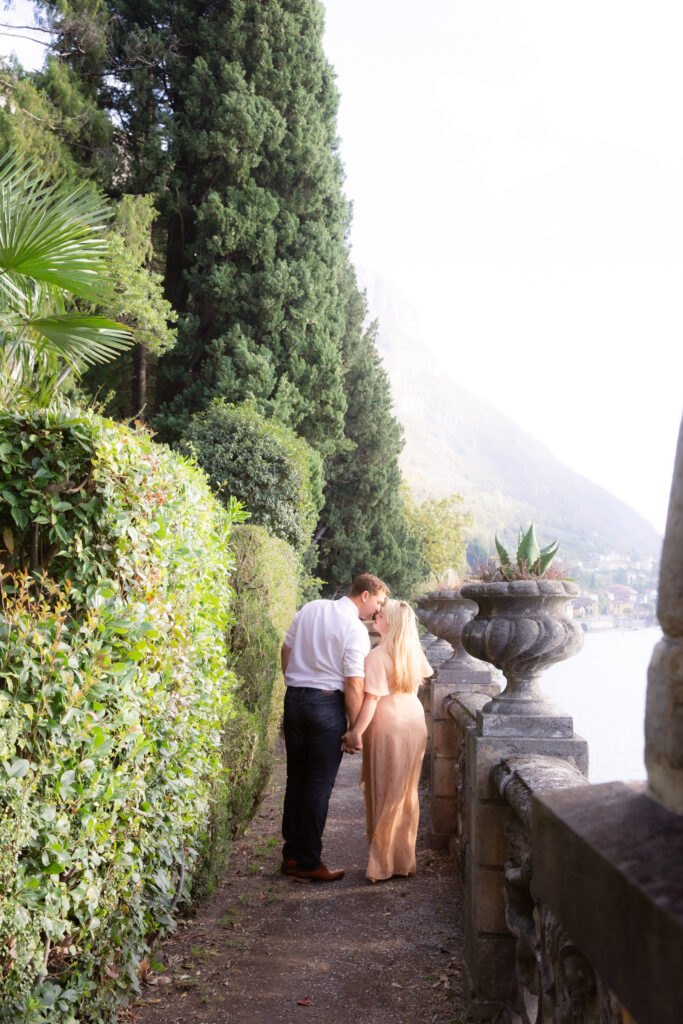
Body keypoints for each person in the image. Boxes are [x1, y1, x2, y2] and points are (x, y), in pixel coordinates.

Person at [280, 573, 388, 881]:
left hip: (294, 699)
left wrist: (296, 681)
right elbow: (354, 683)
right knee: (318, 783)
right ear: (365, 594)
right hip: (325, 706)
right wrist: (356, 730)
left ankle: (291, 856)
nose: (377, 611)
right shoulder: (354, 627)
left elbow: (286, 650)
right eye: (378, 603)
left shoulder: (311, 607)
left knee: (296, 778)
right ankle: (308, 862)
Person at [342, 599, 433, 883]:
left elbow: (371, 700)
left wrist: (356, 732)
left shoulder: (378, 656)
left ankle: (381, 864)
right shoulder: (414, 653)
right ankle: (403, 860)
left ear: (390, 623)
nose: (375, 618)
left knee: (385, 789)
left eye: (381, 615)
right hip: (414, 722)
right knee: (407, 792)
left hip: (388, 724)